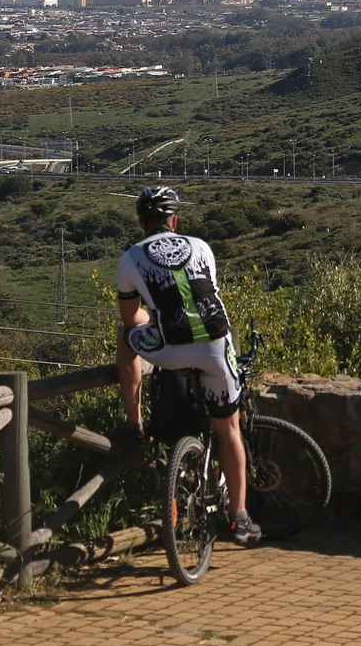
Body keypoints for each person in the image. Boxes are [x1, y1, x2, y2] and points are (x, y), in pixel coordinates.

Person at [110, 185, 261, 545]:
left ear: (141, 223)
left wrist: (152, 318)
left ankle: (134, 426)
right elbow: (203, 296)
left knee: (123, 337)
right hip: (215, 345)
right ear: (174, 221)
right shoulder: (202, 247)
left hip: (169, 348)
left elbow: (131, 318)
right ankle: (239, 519)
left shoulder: (132, 256)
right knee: (229, 431)